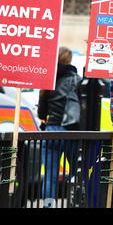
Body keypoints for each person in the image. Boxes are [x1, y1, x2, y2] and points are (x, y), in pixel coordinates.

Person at [38, 47, 82, 207]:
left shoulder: (48, 80)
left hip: (50, 132)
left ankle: (48, 206)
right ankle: (75, 204)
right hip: (71, 133)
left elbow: (41, 113)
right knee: (77, 173)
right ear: (69, 60)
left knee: (50, 177)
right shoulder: (77, 80)